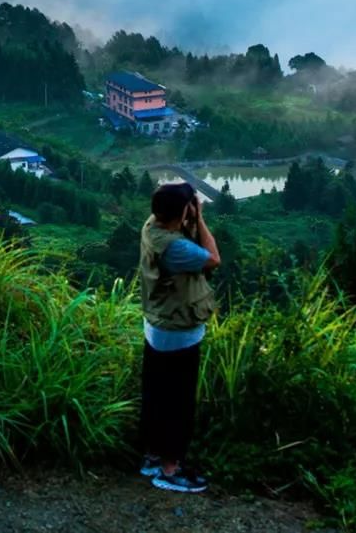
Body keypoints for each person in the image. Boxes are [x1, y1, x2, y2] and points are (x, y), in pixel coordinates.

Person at [138, 179, 220, 494]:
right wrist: (198, 218)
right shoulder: (177, 248)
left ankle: (152, 456)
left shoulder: (152, 226)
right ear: (183, 211)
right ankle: (170, 471)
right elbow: (213, 259)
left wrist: (181, 202)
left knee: (156, 395)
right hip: (179, 331)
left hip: (157, 325)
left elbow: (167, 198)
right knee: (178, 402)